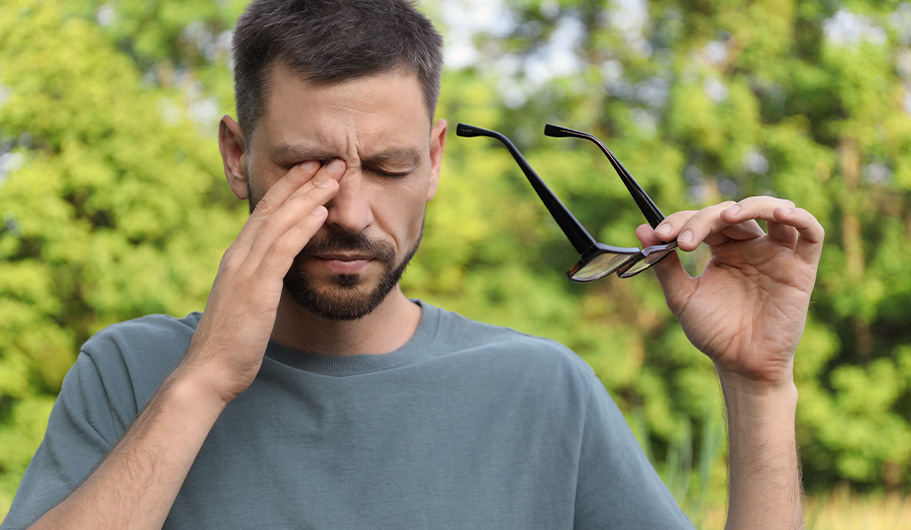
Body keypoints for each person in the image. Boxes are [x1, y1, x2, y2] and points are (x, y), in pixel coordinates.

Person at [1, 0, 824, 529]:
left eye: (390, 168)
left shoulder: (541, 391)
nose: (353, 214)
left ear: (435, 159)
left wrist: (759, 387)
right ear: (234, 153)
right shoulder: (129, 372)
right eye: (305, 167)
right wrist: (207, 376)